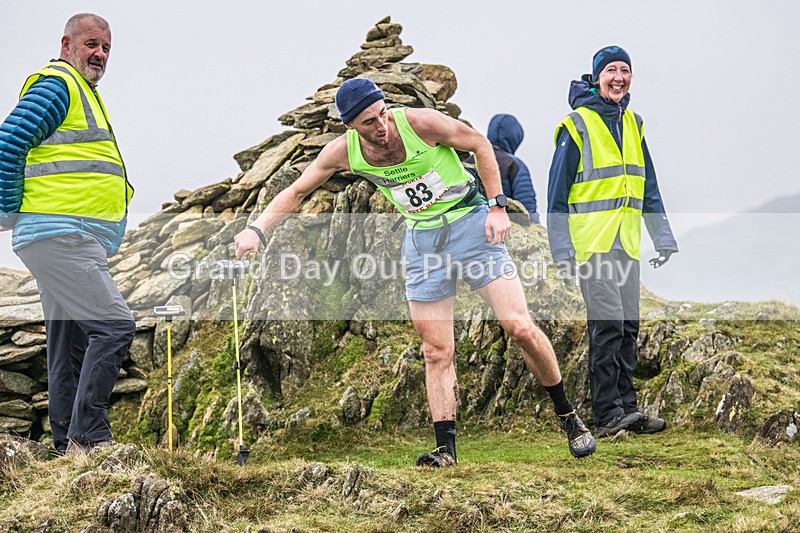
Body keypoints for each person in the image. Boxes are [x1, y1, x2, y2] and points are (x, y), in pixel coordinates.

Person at [235, 77, 596, 465]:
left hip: (472, 227)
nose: (382, 126)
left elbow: (479, 142)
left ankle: (569, 417)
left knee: (519, 327)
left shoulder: (420, 123)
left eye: (383, 114)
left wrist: (496, 207)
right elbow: (297, 191)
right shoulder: (344, 152)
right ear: (351, 127)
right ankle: (446, 451)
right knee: (436, 351)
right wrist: (257, 229)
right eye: (369, 122)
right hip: (424, 243)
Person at [0, 13, 135, 454]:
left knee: (69, 347)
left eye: (106, 48)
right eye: (91, 44)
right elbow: (10, 140)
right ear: (67, 44)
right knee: (114, 327)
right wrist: (5, 209)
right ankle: (89, 438)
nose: (99, 54)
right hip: (61, 235)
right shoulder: (59, 85)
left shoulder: (84, 94)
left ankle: (64, 448)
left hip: (64, 238)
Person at [547, 46, 678, 438]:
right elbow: (556, 195)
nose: (619, 77)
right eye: (611, 71)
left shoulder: (634, 124)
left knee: (629, 327)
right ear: (596, 77)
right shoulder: (577, 126)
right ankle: (607, 415)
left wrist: (663, 236)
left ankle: (628, 409)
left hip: (627, 242)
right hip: (593, 245)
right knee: (607, 326)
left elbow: (648, 185)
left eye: (625, 70)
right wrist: (562, 250)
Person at [465, 114, 540, 224]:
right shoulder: (514, 164)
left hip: (467, 225)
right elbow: (527, 206)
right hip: (504, 227)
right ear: (515, 138)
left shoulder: (468, 161)